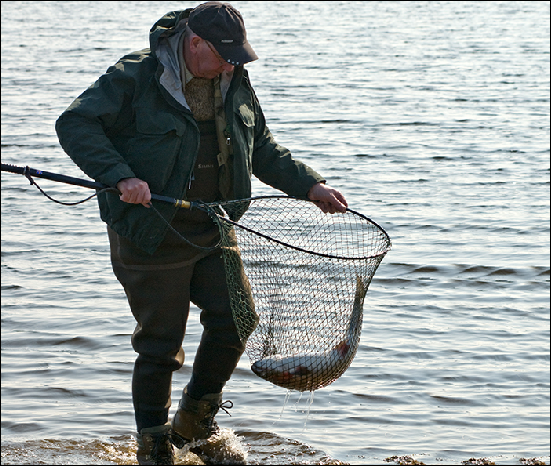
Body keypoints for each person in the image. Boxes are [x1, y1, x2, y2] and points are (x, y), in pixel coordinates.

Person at [55, 2, 347, 464]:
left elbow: (262, 148)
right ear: (195, 44)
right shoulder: (136, 76)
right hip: (150, 232)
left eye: (238, 55)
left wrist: (310, 185)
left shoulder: (234, 79)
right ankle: (153, 444)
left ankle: (194, 421)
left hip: (214, 225)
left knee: (237, 319)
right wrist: (119, 175)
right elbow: (74, 123)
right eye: (225, 55)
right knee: (161, 343)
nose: (233, 64)